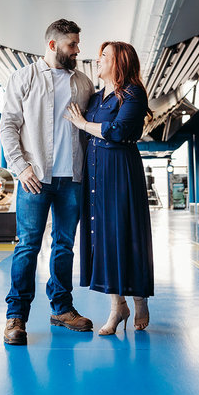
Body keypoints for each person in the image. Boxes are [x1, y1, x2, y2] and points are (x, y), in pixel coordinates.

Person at [0, 19, 95, 345]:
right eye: (72, 45)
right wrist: (20, 168)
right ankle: (16, 317)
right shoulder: (23, 78)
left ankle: (62, 309)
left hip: (72, 179)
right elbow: (8, 125)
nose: (78, 50)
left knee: (64, 246)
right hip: (35, 178)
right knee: (27, 245)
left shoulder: (83, 83)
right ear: (53, 45)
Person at [65, 41, 154, 335]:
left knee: (124, 232)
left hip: (120, 171)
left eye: (105, 56)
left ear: (120, 62)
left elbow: (116, 131)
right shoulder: (94, 97)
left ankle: (138, 299)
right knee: (101, 235)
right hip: (95, 172)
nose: (98, 59)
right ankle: (118, 306)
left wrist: (81, 124)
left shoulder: (132, 93)